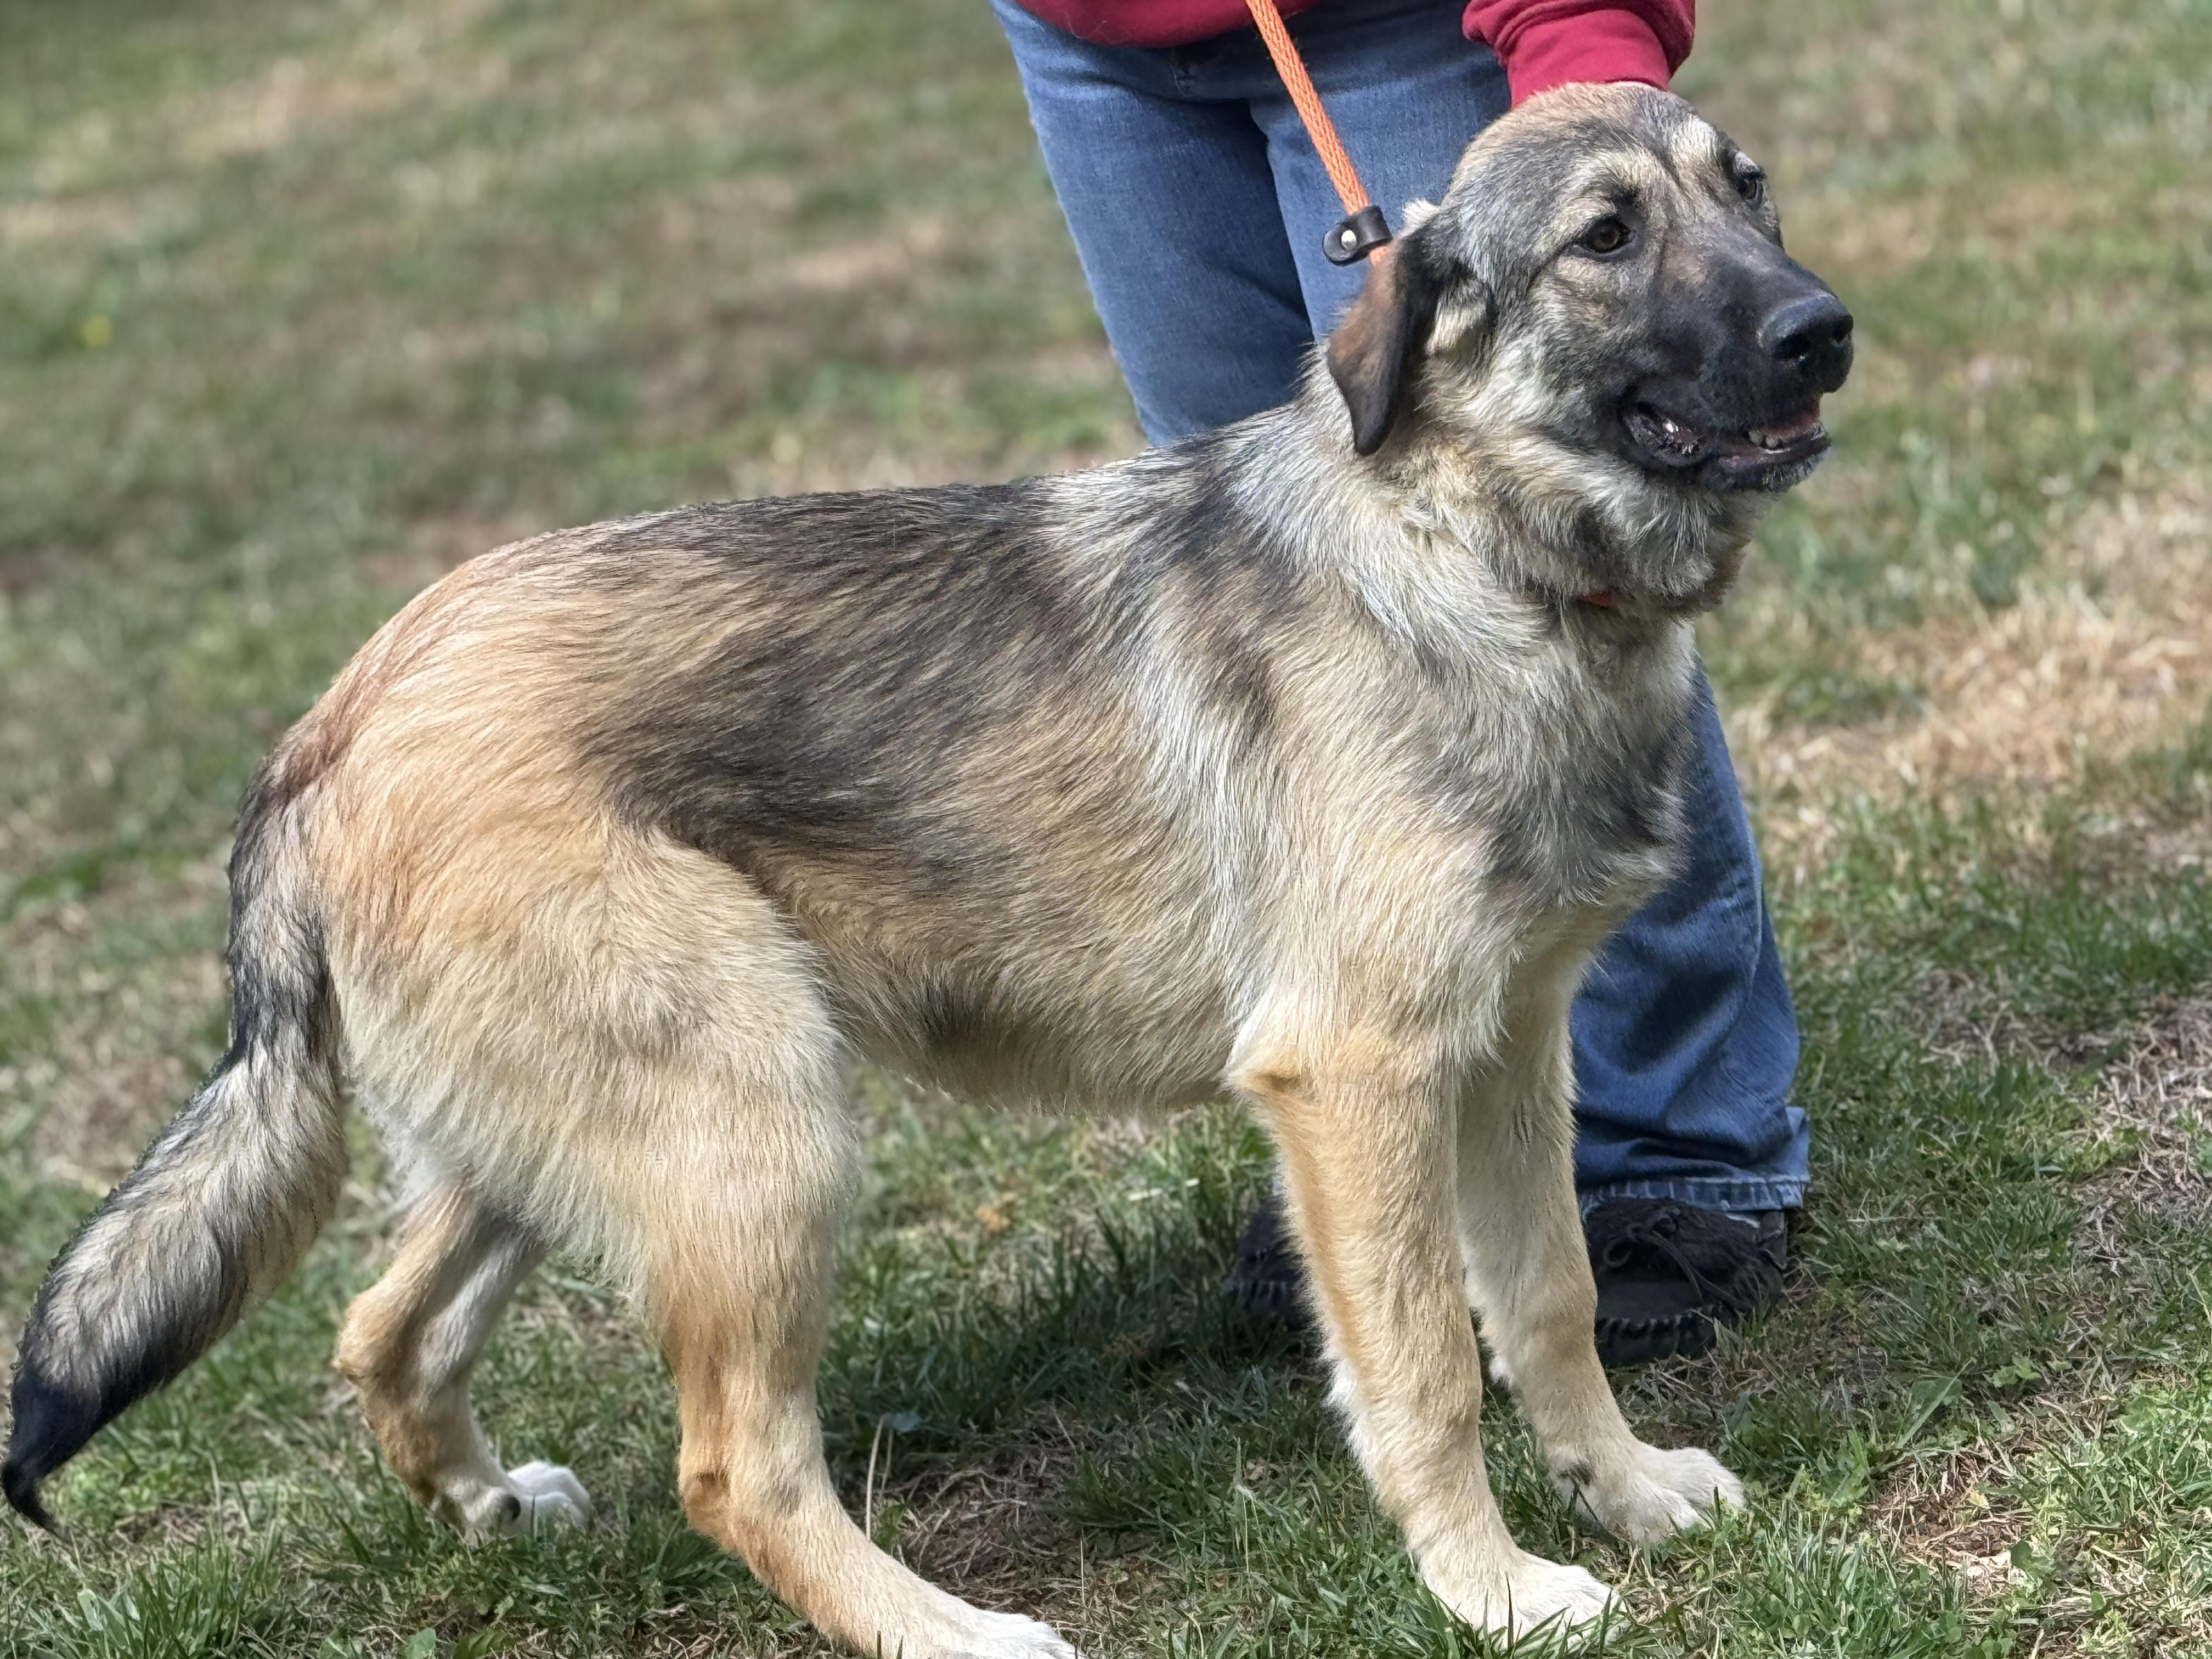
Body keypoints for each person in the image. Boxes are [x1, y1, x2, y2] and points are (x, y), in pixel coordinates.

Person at [991, 0, 1807, 1365]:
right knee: (1264, 572)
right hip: (1098, 40)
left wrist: (1589, 81)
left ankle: (1678, 1148)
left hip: (1401, 21)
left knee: (1583, 559)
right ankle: (1378, 1093)